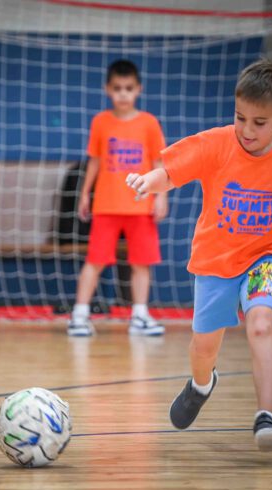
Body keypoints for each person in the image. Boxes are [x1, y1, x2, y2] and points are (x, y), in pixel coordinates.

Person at [126, 59, 272, 451]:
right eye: (240, 117)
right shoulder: (216, 142)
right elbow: (171, 171)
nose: (246, 130)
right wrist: (148, 182)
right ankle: (202, 383)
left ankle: (266, 416)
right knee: (204, 348)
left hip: (267, 257)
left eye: (259, 123)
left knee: (261, 324)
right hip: (215, 261)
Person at [67, 59, 168, 337]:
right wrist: (85, 194)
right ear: (107, 90)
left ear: (139, 89)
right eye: (117, 88)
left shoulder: (148, 123)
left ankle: (139, 315)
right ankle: (79, 314)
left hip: (140, 205)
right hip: (107, 206)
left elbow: (159, 164)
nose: (123, 93)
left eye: (129, 88)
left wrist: (160, 197)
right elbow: (95, 162)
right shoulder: (101, 122)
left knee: (141, 263)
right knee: (95, 260)